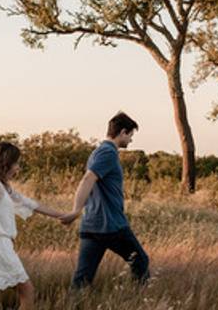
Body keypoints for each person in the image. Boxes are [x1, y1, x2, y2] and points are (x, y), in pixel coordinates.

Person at [0, 141, 66, 310]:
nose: (18, 168)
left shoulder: (3, 187)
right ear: (6, 163)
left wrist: (63, 215)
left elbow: (30, 203)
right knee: (28, 292)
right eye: (16, 163)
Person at [60, 112, 150, 288]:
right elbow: (87, 179)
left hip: (92, 225)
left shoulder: (97, 152)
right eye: (131, 135)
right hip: (111, 225)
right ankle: (140, 301)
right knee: (140, 261)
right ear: (123, 132)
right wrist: (76, 210)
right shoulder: (107, 152)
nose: (131, 140)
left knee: (82, 279)